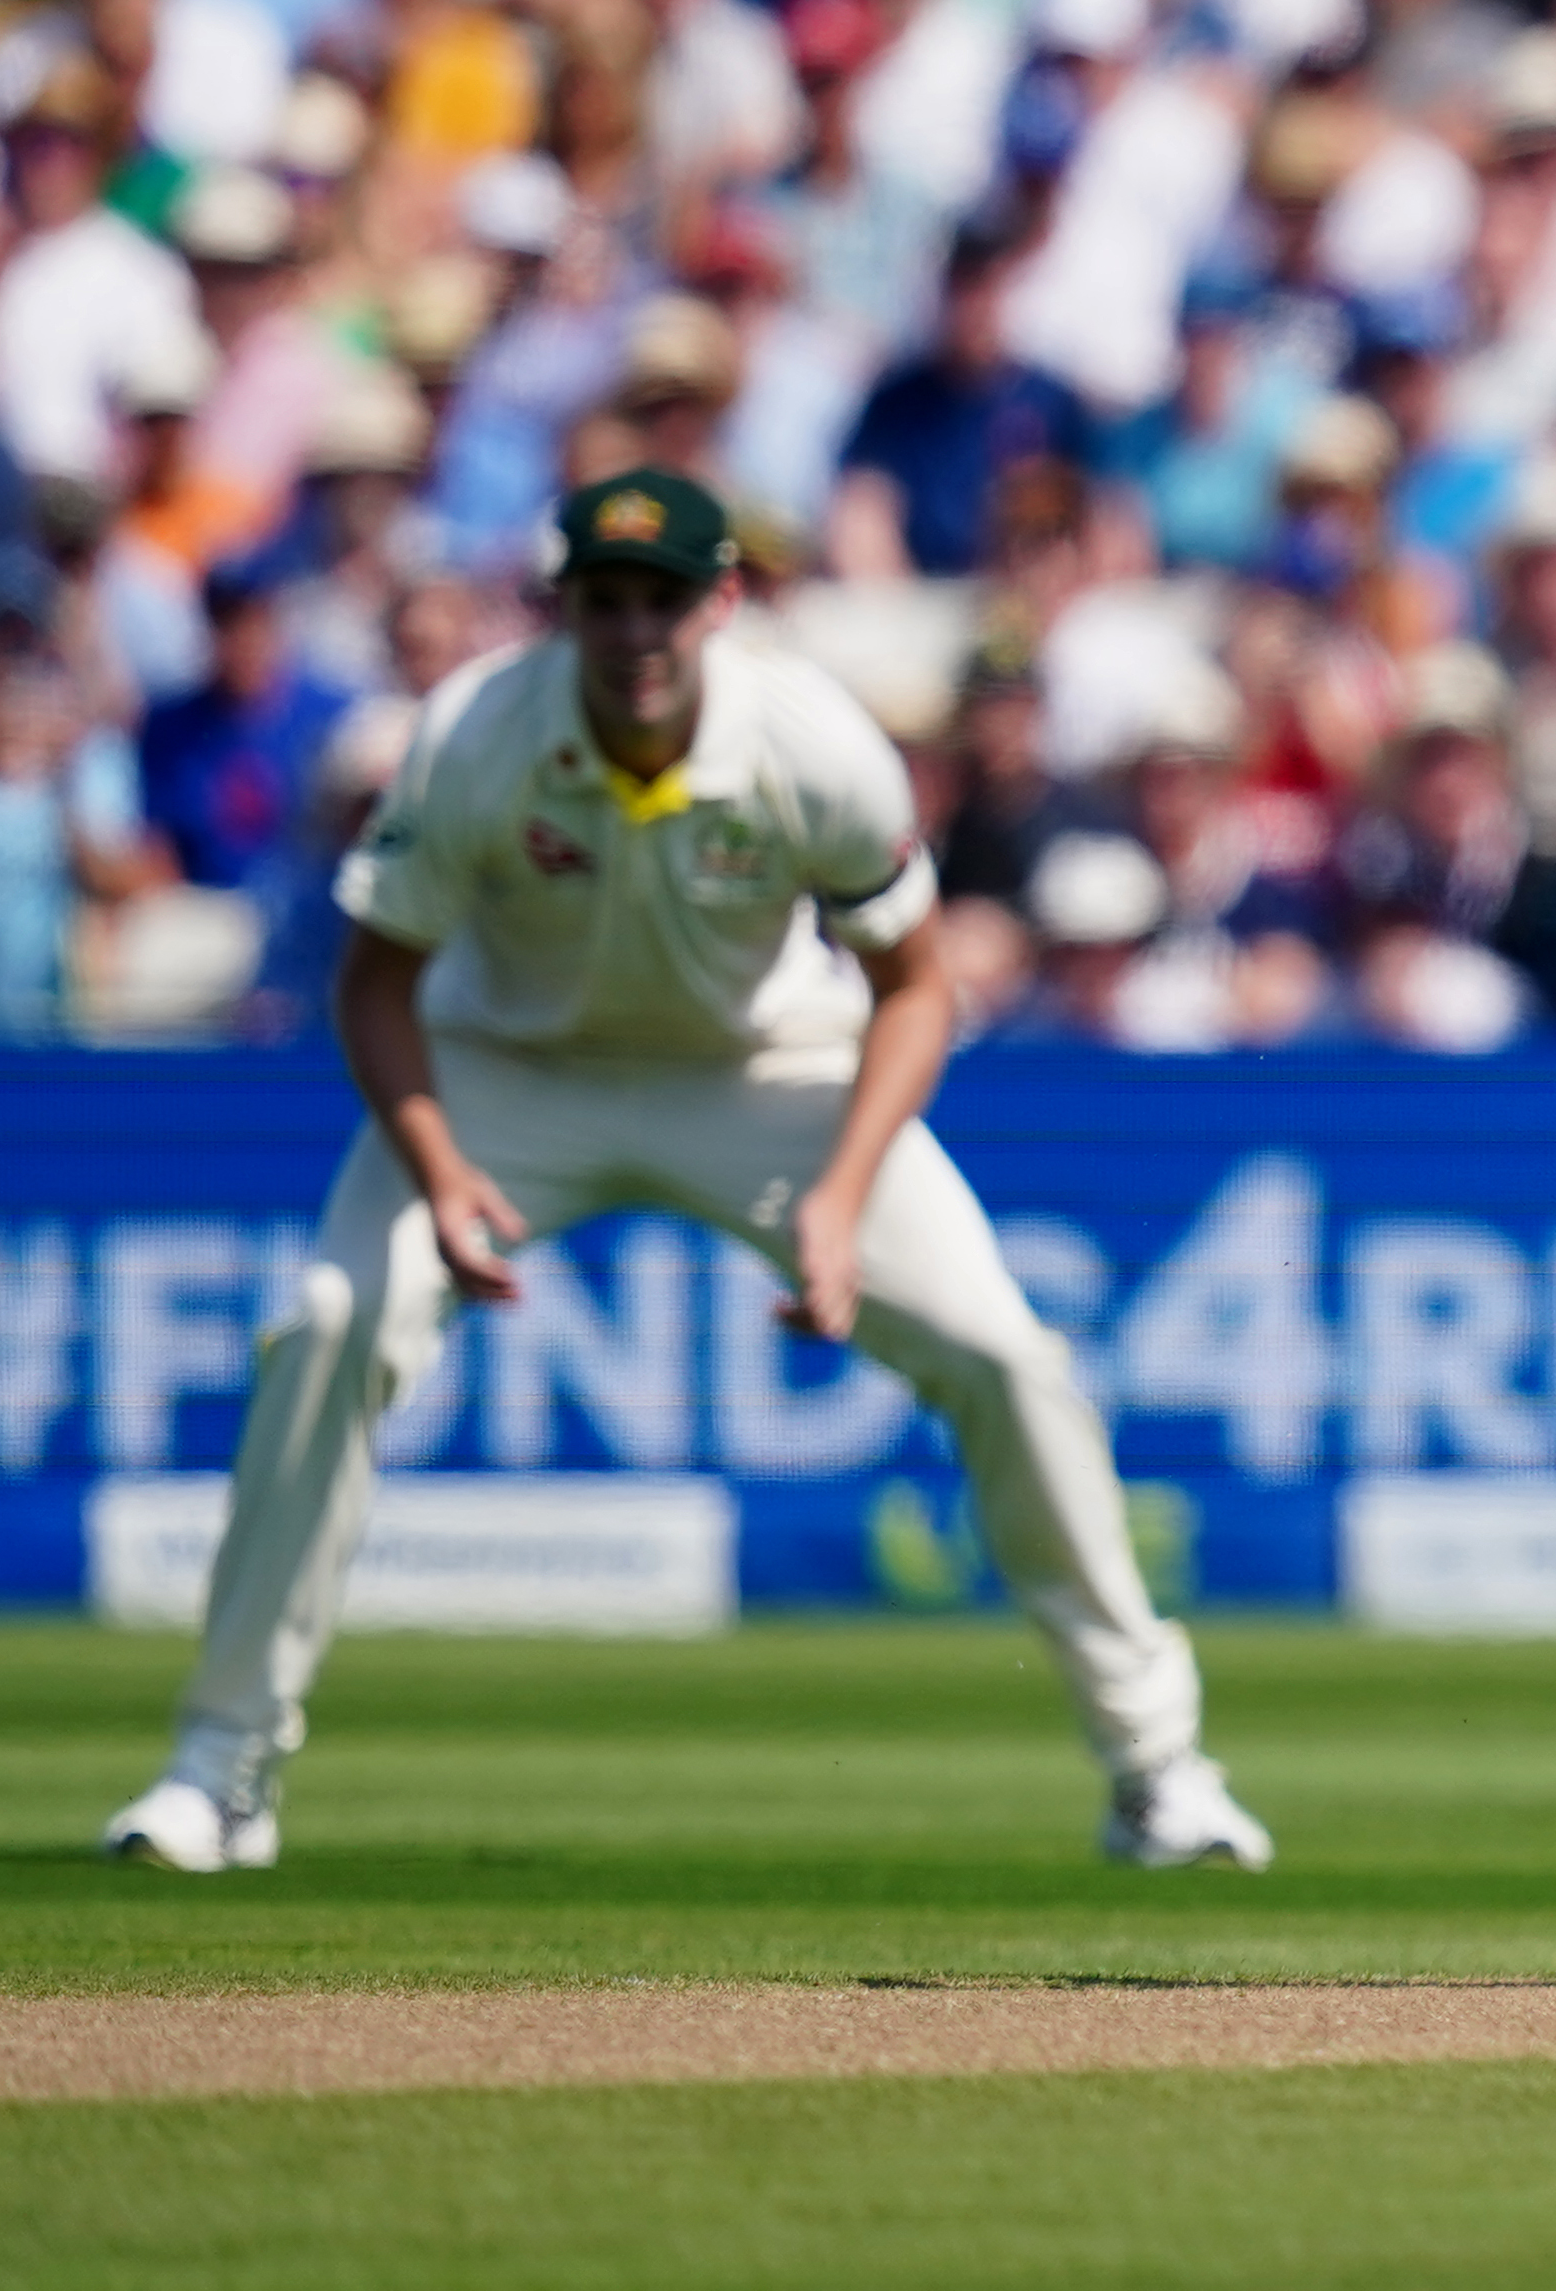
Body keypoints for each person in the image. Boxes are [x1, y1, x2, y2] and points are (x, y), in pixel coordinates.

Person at [99, 470, 1267, 1877]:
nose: (635, 630)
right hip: (506, 1074)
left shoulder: (812, 740)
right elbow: (375, 987)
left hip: (764, 1073)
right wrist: (441, 1165)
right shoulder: (475, 733)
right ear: (564, 606)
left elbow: (915, 991)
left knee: (1004, 1352)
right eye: (606, 599)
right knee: (335, 1324)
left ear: (723, 601)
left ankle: (1161, 1773)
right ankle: (218, 1773)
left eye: (664, 598)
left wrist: (838, 1197)